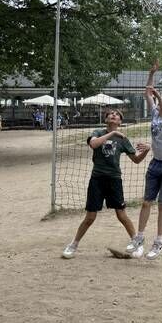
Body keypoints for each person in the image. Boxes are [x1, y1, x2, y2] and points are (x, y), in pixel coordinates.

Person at [61, 109, 150, 258]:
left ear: (120, 122)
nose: (113, 115)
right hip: (97, 179)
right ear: (106, 119)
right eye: (110, 114)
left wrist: (146, 150)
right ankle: (73, 245)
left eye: (117, 115)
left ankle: (137, 243)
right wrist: (113, 133)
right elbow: (93, 144)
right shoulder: (98, 132)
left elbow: (136, 160)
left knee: (121, 215)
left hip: (114, 179)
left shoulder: (123, 139)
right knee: (90, 217)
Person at [126, 60, 162, 260]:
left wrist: (159, 96)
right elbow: (147, 93)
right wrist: (151, 74)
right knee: (146, 202)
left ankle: (158, 242)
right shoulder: (154, 114)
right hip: (155, 164)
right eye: (160, 100)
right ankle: (139, 237)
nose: (159, 102)